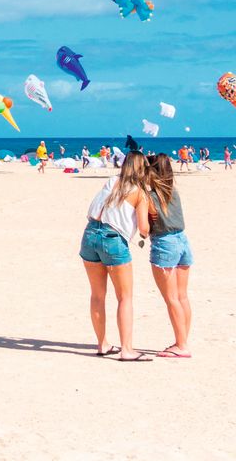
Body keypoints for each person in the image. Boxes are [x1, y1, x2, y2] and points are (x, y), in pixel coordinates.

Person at [79, 152, 152, 361]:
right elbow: (144, 230)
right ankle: (126, 349)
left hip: (90, 234)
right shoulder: (139, 192)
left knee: (97, 295)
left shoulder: (112, 181)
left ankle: (102, 344)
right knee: (125, 297)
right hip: (112, 239)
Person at [146, 153, 193, 357]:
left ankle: (181, 346)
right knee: (182, 296)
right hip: (182, 240)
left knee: (171, 298)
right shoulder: (173, 192)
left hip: (165, 243)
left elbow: (145, 227)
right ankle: (182, 340)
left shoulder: (150, 197)